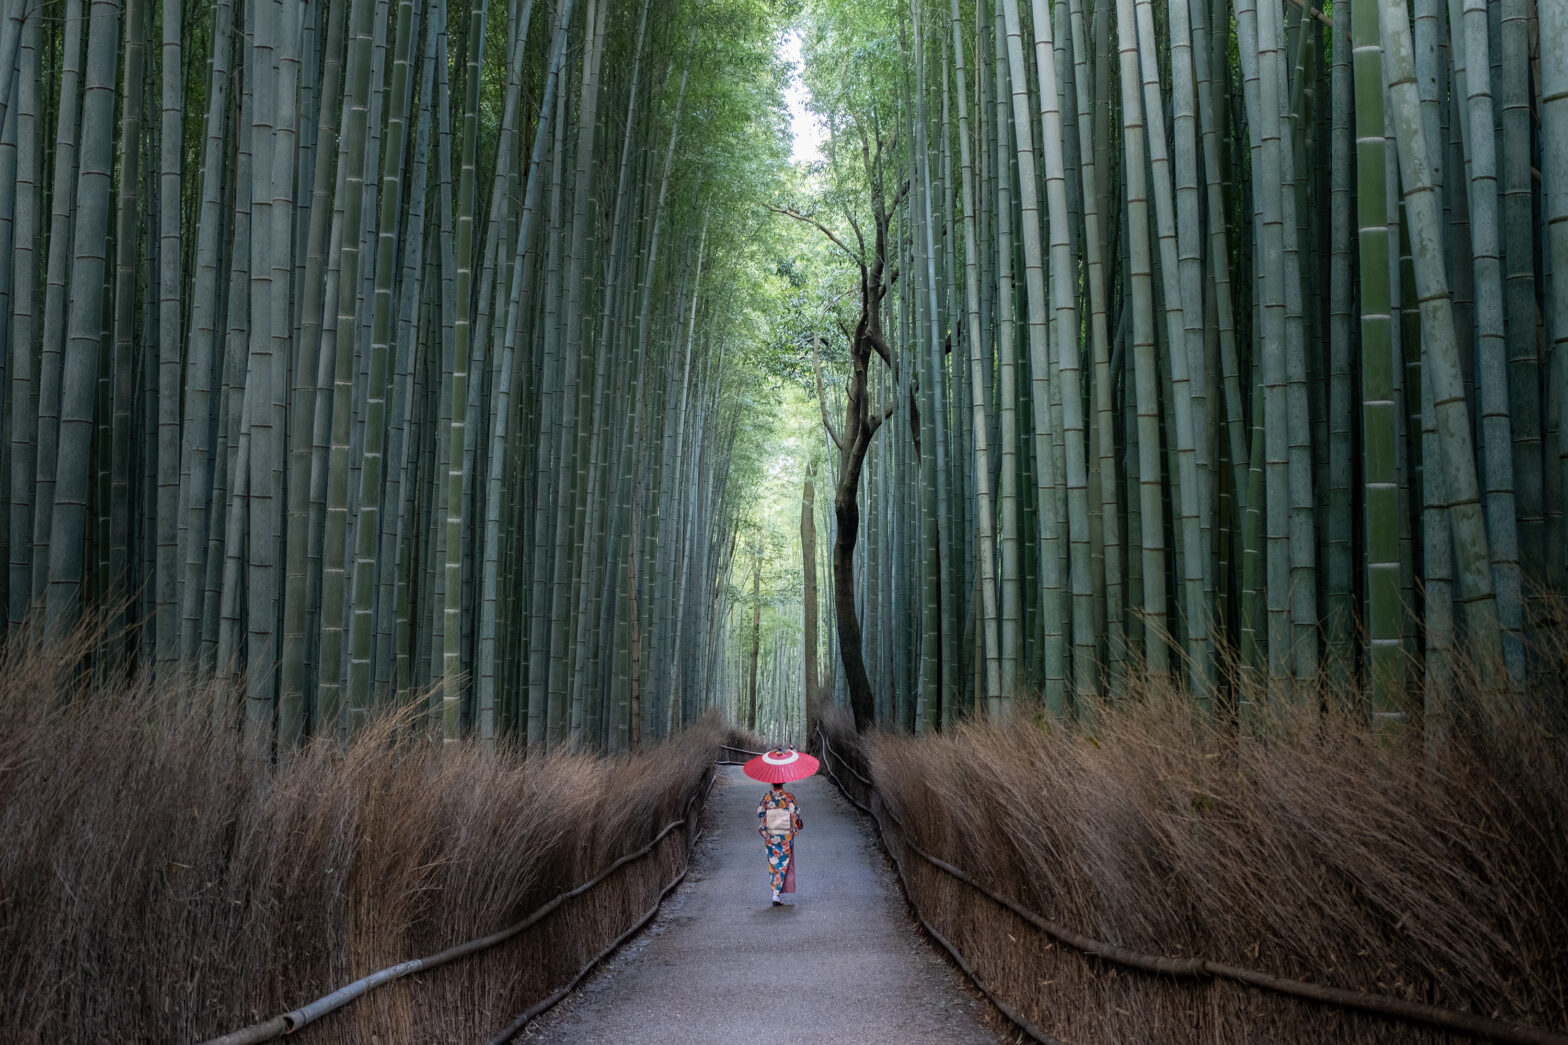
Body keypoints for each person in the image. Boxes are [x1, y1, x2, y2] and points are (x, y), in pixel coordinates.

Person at [756, 779, 803, 906]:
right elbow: (795, 813)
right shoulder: (789, 797)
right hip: (785, 836)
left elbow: (759, 813)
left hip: (771, 835)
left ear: (772, 783)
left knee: (773, 862)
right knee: (783, 863)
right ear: (783, 783)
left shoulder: (766, 797)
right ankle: (776, 894)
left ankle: (775, 893)